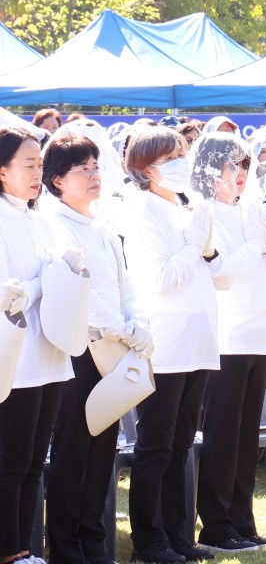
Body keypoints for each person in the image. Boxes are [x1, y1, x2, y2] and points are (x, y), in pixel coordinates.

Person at [43, 133, 154, 564]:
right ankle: (66, 547)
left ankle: (93, 542)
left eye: (95, 167)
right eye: (82, 169)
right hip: (81, 352)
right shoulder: (56, 224)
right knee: (74, 450)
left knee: (102, 449)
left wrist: (137, 321)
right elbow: (81, 289)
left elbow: (126, 282)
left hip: (114, 351)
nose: (93, 175)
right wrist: (125, 330)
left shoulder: (102, 224)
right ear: (57, 180)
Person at [189, 134, 266, 552]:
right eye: (232, 167)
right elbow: (224, 273)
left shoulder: (251, 210)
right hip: (226, 336)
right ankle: (216, 525)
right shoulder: (203, 212)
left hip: (258, 334)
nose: (239, 176)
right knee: (223, 434)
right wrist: (257, 245)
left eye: (244, 167)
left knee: (247, 435)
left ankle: (242, 520)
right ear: (211, 169)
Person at [122, 126, 222, 563]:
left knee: (181, 444)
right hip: (164, 344)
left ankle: (178, 533)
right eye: (170, 158)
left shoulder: (185, 207)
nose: (182, 164)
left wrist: (207, 249)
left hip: (197, 340)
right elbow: (160, 279)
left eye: (183, 154)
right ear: (146, 169)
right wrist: (193, 246)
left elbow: (212, 272)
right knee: (156, 444)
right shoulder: (143, 211)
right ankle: (149, 538)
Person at [0, 127, 83, 564]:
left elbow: (52, 277)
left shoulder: (40, 218)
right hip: (17, 356)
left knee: (34, 461)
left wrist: (65, 272)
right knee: (12, 461)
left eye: (39, 164)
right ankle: (7, 551)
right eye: (28, 165)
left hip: (51, 348)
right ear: (2, 171)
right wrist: (43, 282)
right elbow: (8, 293)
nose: (37, 174)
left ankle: (24, 549)